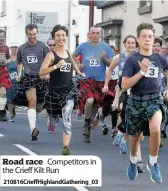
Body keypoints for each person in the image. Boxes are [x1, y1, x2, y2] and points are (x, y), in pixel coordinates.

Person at [122, 22, 168, 183]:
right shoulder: (132, 60)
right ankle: (133, 161)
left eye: (150, 36)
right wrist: (142, 71)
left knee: (155, 130)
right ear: (138, 39)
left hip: (155, 99)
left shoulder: (160, 59)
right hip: (136, 100)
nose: (147, 39)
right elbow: (124, 85)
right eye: (144, 36)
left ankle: (153, 163)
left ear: (153, 38)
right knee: (135, 137)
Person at [39, 24, 85, 155]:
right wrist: (56, 66)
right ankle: (52, 121)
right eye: (58, 35)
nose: (61, 38)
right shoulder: (51, 55)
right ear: (54, 38)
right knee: (54, 117)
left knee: (67, 116)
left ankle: (66, 146)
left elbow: (72, 63)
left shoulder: (69, 52)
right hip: (54, 91)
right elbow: (41, 72)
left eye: (63, 35)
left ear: (66, 36)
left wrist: (79, 73)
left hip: (69, 90)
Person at [72, 26, 116, 142]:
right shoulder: (83, 46)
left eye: (97, 33)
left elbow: (110, 64)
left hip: (100, 81)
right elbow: (73, 56)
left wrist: (104, 58)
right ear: (89, 34)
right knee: (90, 100)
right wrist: (78, 65)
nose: (95, 35)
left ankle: (88, 126)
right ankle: (87, 124)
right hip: (86, 79)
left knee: (96, 106)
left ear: (100, 35)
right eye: (93, 33)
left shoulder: (106, 47)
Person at [13, 24, 49, 141]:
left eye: (34, 34)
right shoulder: (22, 48)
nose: (32, 36)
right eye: (30, 34)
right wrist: (19, 74)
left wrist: (47, 73)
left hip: (41, 78)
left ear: (36, 33)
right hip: (28, 78)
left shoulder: (43, 47)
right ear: (26, 34)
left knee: (39, 107)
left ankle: (34, 115)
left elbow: (49, 61)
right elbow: (19, 63)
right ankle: (33, 130)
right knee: (32, 101)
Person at [0, 29, 12, 121]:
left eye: (3, 36)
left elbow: (10, 59)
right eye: (0, 36)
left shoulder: (6, 47)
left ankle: (2, 113)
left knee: (3, 92)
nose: (1, 38)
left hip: (3, 72)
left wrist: (6, 61)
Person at [6, 43, 19, 122]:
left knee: (17, 99)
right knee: (9, 99)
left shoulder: (20, 59)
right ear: (10, 49)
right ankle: (11, 114)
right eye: (12, 48)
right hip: (10, 82)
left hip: (19, 82)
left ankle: (13, 108)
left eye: (15, 47)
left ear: (17, 48)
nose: (14, 49)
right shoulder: (8, 60)